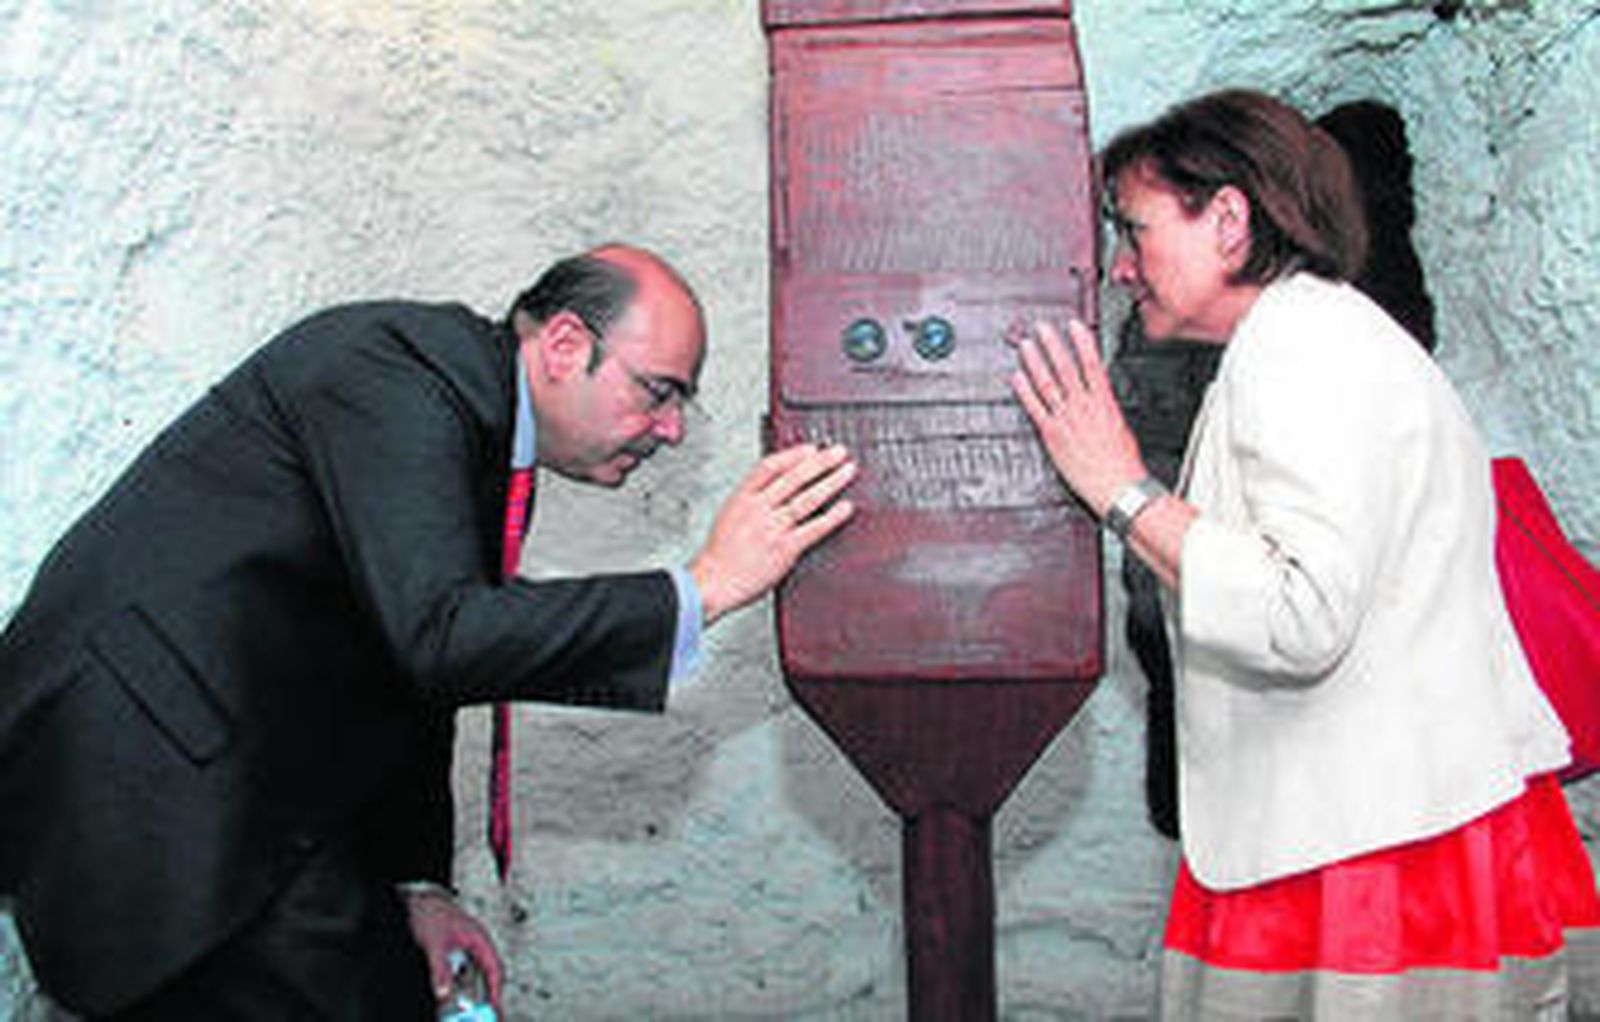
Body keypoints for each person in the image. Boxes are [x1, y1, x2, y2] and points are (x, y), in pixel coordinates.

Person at [0, 243, 858, 1019]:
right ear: (564, 347)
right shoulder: (401, 376)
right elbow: (441, 638)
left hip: (242, 781)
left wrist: (419, 882)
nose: (671, 430)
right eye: (659, 391)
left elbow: (407, 670)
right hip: (146, 775)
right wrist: (699, 589)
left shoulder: (461, 407)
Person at [1008, 89, 1598, 1018]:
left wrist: (1119, 488)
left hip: (1369, 855)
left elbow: (1299, 613)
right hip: (1381, 817)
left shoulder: (1304, 350)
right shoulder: (1318, 336)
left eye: (1137, 228)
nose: (1123, 266)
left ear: (1230, 220)